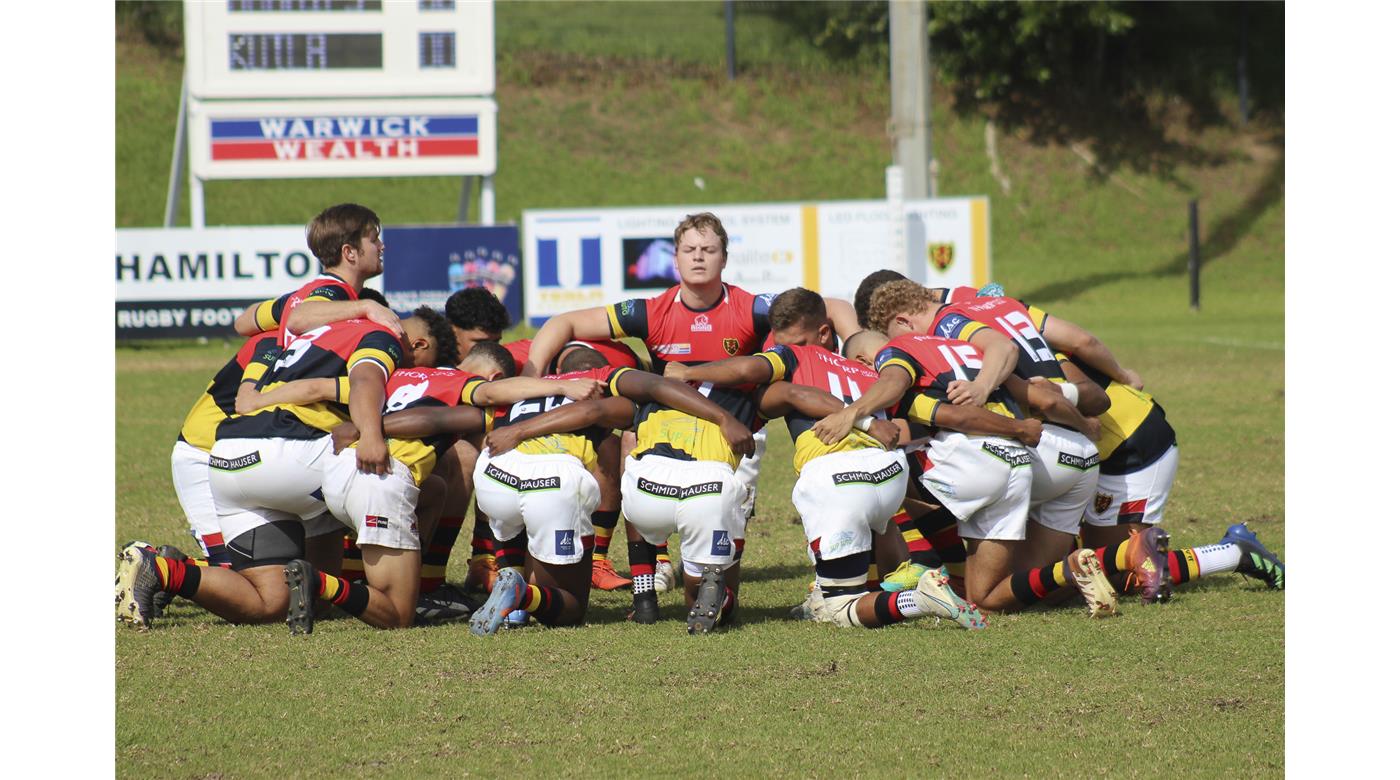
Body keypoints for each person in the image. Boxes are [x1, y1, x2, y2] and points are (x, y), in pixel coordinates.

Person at [670, 287, 986, 629]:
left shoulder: (795, 358)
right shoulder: (869, 373)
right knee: (876, 523)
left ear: (823, 333)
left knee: (841, 608)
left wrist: (688, 373)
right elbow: (939, 413)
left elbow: (754, 373)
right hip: (889, 474)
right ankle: (888, 576)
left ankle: (918, 598)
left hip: (838, 477)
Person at [116, 311, 420, 630]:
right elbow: (365, 380)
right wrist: (370, 435)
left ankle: (163, 570)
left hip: (228, 459)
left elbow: (257, 342)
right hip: (287, 454)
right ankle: (384, 594)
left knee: (271, 601)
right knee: (378, 473)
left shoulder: (301, 339)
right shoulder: (378, 335)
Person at [811, 310, 1122, 617]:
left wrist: (851, 414)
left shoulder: (896, 359)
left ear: (864, 361)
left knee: (878, 475)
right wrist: (1081, 425)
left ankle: (910, 569)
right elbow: (1041, 396)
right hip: (1037, 458)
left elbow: (951, 413)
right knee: (996, 594)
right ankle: (1092, 564)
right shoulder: (965, 347)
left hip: (983, 460)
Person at [455, 348, 751, 635]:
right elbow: (619, 400)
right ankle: (522, 595)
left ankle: (512, 601)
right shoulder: (604, 381)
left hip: (494, 470)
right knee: (570, 604)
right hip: (552, 477)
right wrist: (724, 418)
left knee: (511, 523)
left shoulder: (528, 385)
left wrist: (513, 430)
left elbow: (479, 402)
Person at [234, 203, 404, 345]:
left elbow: (242, 323)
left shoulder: (300, 297)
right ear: (349, 253)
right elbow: (298, 318)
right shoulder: (336, 292)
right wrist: (366, 306)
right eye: (374, 240)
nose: (381, 246)